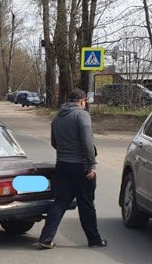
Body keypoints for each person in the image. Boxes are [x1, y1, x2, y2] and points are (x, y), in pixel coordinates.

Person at [37, 89, 106, 249]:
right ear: (82, 101)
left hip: (62, 165)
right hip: (81, 166)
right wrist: (91, 165)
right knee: (86, 203)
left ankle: (46, 238)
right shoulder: (81, 116)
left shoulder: (57, 117)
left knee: (60, 202)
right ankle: (94, 240)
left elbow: (55, 143)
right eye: (85, 102)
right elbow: (87, 142)